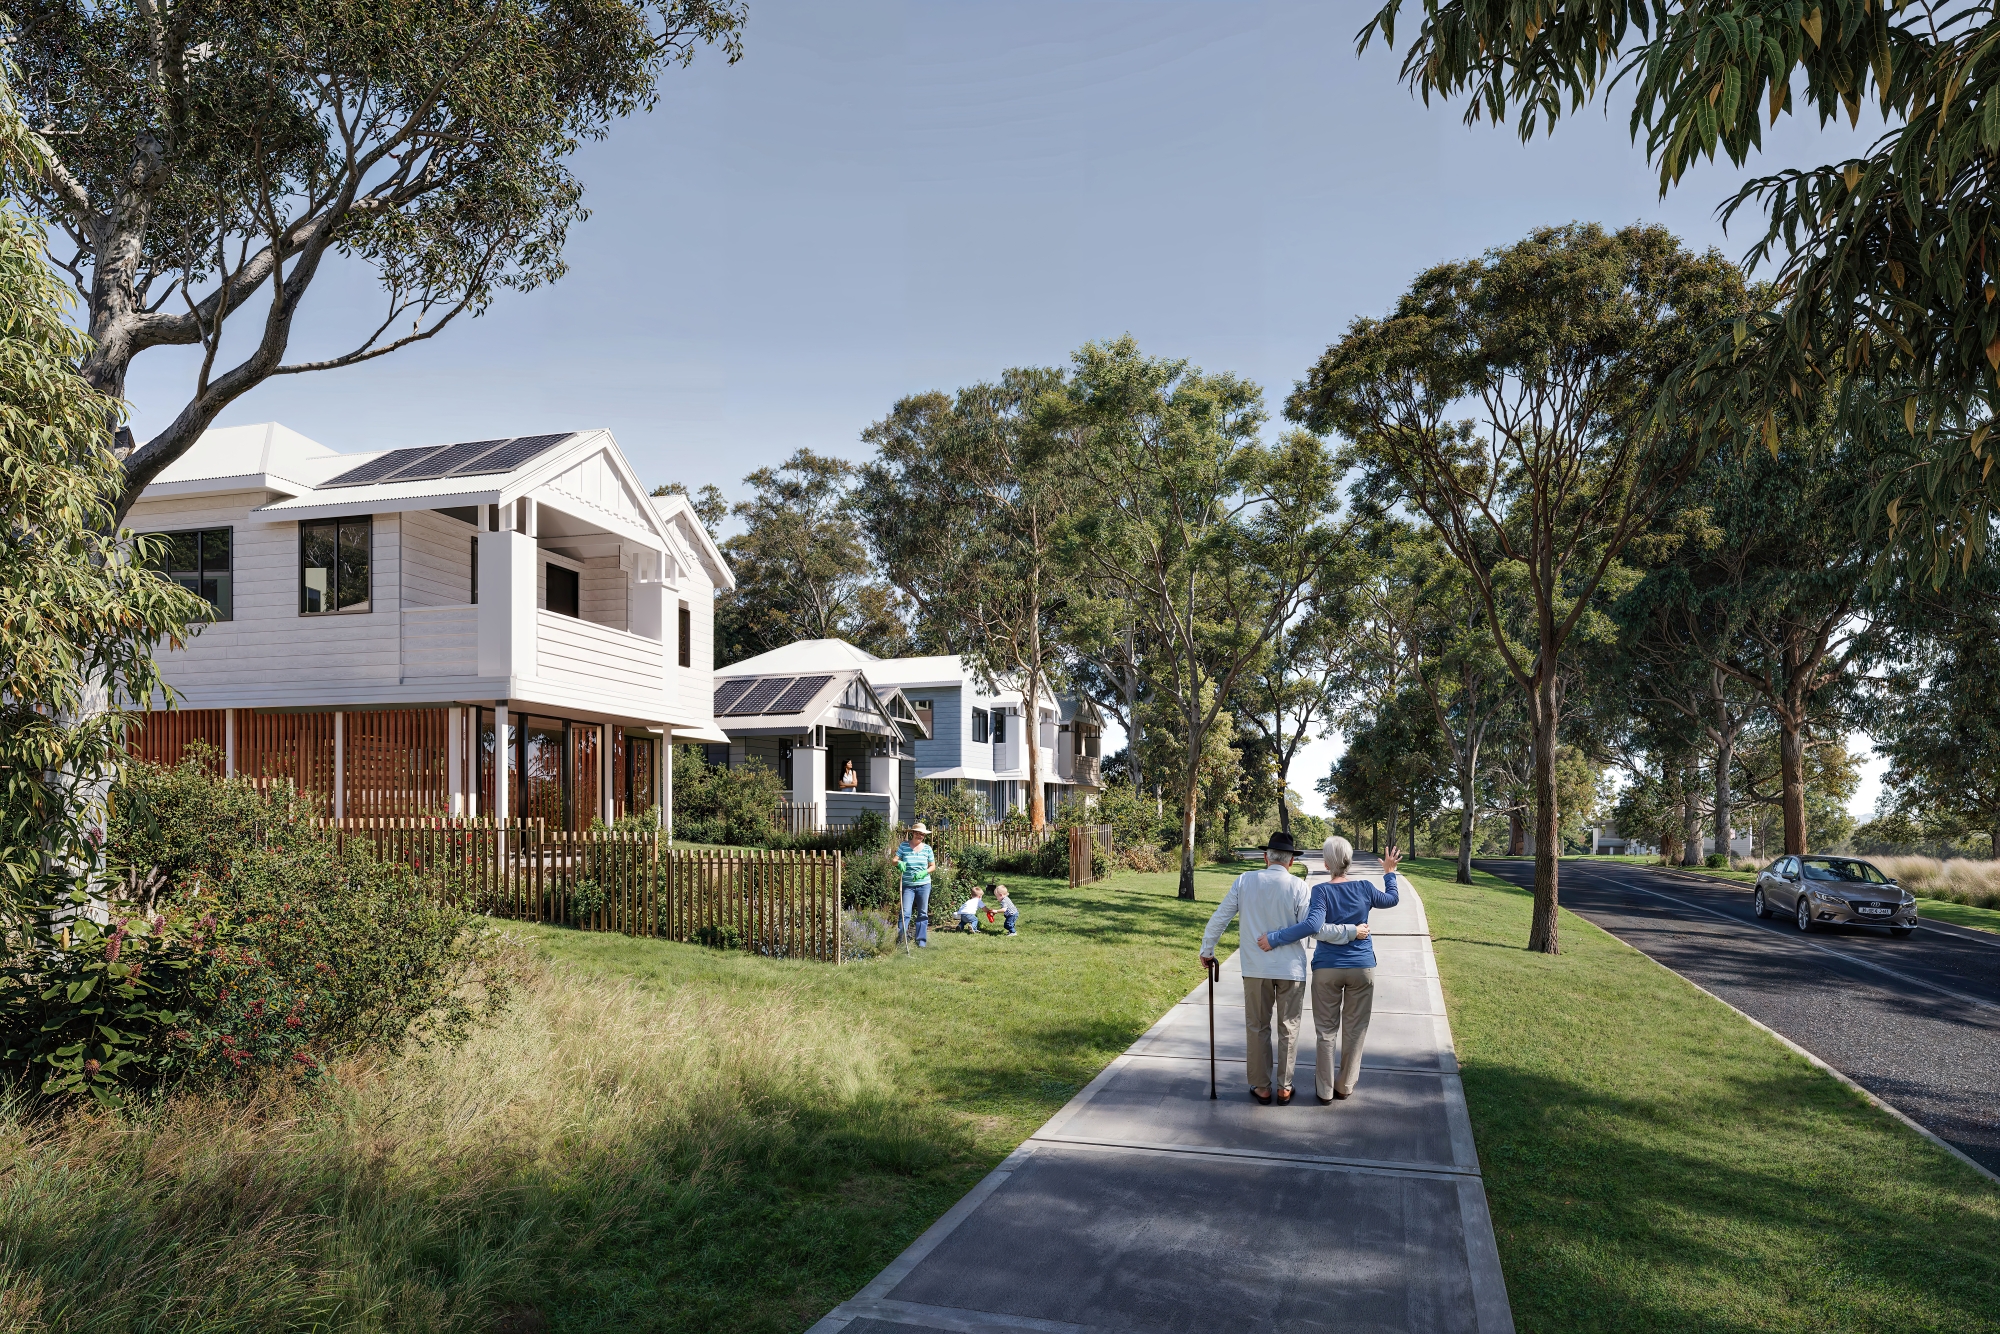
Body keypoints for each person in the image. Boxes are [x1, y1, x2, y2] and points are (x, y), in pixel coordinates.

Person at [1199, 830, 1364, 1106]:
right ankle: (1284, 1088)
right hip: (1291, 970)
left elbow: (1221, 917)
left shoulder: (1244, 881)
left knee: (1257, 1026)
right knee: (1289, 1028)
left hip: (1255, 969)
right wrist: (1350, 931)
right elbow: (1315, 929)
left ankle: (1262, 1087)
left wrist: (1208, 948)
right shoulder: (1299, 886)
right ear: (1290, 861)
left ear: (1266, 858)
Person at [1257, 837, 1399, 1105]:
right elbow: (1392, 899)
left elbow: (1312, 925)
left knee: (1326, 1032)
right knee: (1355, 1030)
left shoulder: (1321, 891)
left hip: (1327, 970)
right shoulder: (1366, 888)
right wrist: (1389, 873)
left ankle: (1324, 1092)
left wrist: (1275, 938)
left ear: (1325, 864)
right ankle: (1345, 1086)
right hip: (1362, 968)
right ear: (1349, 861)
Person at [897, 822, 936, 948]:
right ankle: (901, 939)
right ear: (913, 833)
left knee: (923, 912)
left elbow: (932, 866)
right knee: (905, 912)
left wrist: (924, 872)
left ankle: (921, 940)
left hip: (924, 885)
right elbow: (894, 860)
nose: (920, 836)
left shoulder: (927, 849)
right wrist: (898, 863)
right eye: (918, 833)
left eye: (922, 834)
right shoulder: (904, 846)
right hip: (908, 885)